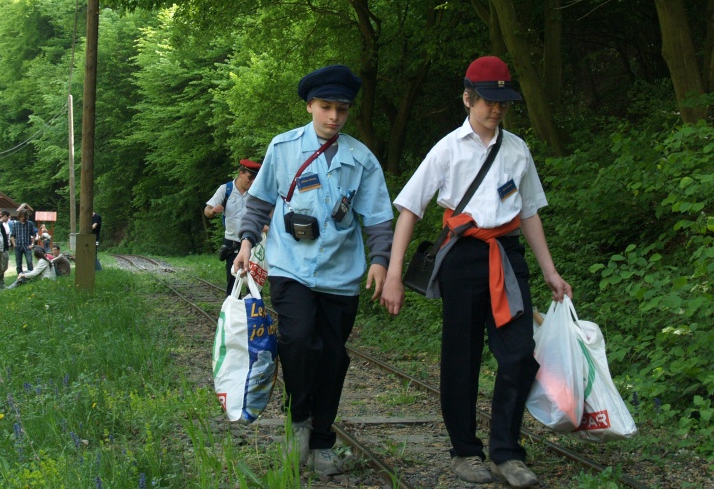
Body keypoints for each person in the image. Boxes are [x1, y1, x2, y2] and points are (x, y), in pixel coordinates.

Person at [379, 56, 572, 488]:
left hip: (507, 255)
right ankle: (465, 451)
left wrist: (550, 272)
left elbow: (530, 213)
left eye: (502, 102)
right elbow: (410, 208)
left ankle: (506, 452)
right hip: (462, 258)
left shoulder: (518, 149)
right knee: (461, 359)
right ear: (467, 97)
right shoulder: (447, 149)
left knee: (520, 355)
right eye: (487, 100)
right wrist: (394, 275)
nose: (495, 110)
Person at [233, 64, 394, 477]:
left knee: (333, 358)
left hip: (342, 275)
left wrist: (380, 261)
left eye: (342, 109)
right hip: (291, 267)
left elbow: (376, 217)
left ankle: (323, 442)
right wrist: (247, 242)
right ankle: (298, 421)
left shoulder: (362, 159)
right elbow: (260, 202)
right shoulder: (283, 148)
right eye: (326, 107)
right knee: (299, 341)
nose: (334, 116)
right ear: (310, 106)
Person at [204, 158, 262, 293]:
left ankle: (252, 312)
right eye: (250, 177)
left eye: (255, 178)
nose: (252, 181)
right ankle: (233, 312)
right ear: (241, 173)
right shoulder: (226, 189)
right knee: (233, 282)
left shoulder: (256, 192)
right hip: (232, 243)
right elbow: (207, 211)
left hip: (253, 243)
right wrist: (212, 211)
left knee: (253, 284)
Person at [0, 211, 12, 289]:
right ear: (5, 216)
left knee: (4, 266)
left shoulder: (4, 224)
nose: (9, 219)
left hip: (5, 247)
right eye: (8, 217)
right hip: (2, 248)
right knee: (2, 266)